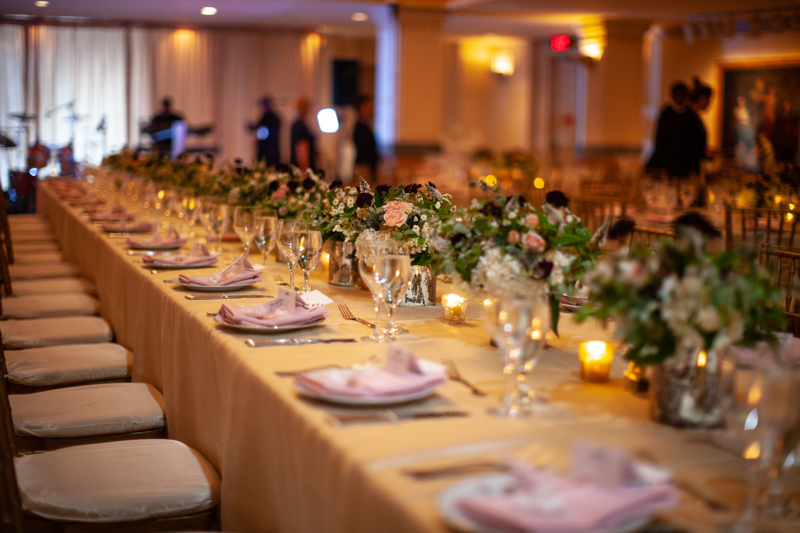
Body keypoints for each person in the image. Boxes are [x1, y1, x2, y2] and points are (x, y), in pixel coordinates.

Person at [646, 81, 689, 176]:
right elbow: (661, 140)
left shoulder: (685, 114)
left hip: (678, 162)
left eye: (684, 95)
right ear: (673, 95)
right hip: (666, 161)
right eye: (680, 94)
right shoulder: (667, 113)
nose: (683, 98)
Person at [248, 96, 281, 166]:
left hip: (271, 148)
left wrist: (256, 128)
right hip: (264, 147)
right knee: (258, 165)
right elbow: (261, 128)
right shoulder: (264, 117)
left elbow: (267, 131)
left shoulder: (273, 117)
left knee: (271, 167)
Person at [353, 95, 379, 184]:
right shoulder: (359, 127)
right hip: (363, 167)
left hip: (368, 166)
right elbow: (364, 149)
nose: (372, 110)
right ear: (361, 108)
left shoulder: (366, 126)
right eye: (369, 106)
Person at [290, 97, 317, 172]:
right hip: (302, 167)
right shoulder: (299, 125)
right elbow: (301, 148)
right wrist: (305, 170)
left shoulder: (301, 124)